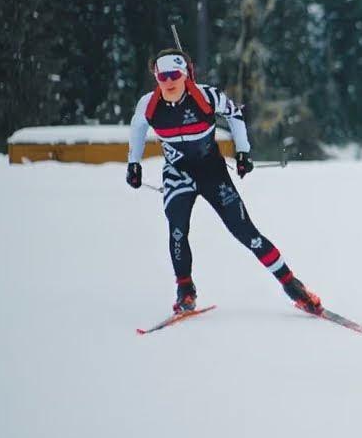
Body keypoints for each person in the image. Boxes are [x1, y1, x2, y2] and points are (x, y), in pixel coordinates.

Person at [126, 49, 322, 316]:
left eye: (174, 75)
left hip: (212, 173)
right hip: (178, 174)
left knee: (247, 233)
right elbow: (137, 128)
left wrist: (243, 152)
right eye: (162, 77)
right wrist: (133, 163)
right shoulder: (149, 104)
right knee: (177, 231)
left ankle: (292, 286)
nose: (168, 81)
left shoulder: (206, 96)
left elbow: (235, 115)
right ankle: (185, 291)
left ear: (185, 75)